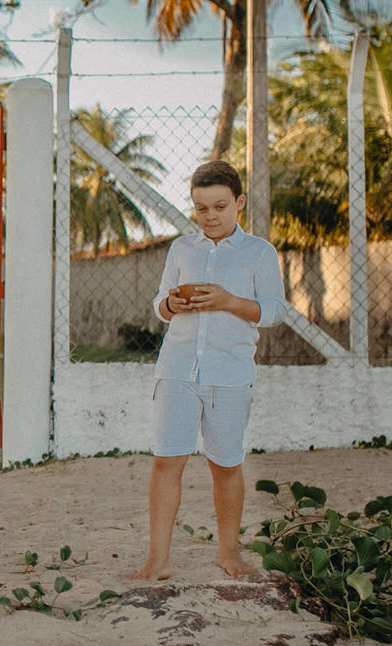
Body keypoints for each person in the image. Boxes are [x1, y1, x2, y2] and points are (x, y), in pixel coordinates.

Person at [133, 161, 287, 581]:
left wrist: (227, 301)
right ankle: (157, 560)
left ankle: (229, 554)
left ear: (238, 202)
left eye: (219, 206)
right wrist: (171, 305)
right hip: (178, 369)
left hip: (230, 374)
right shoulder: (182, 249)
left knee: (226, 464)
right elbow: (160, 303)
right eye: (201, 208)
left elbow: (274, 311)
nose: (210, 216)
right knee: (167, 460)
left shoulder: (259, 253)